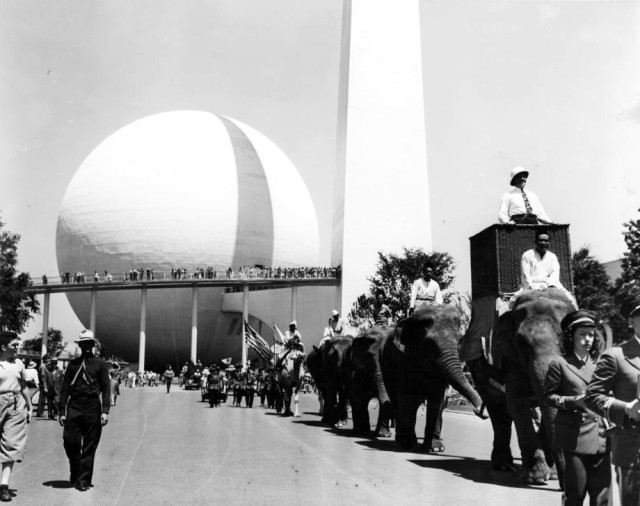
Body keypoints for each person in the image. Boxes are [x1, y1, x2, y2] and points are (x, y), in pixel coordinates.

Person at [544, 310, 609, 506]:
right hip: (574, 440)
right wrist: (573, 401)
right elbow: (549, 397)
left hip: (602, 438)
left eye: (591, 335)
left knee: (601, 499)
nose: (587, 339)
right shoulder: (560, 363)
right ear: (571, 336)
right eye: (582, 334)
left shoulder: (602, 364)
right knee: (575, 496)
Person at [585, 299, 640, 505]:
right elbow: (592, 396)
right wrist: (626, 408)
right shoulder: (616, 356)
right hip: (633, 451)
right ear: (631, 321)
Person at [58, 329, 110, 492]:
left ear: (93, 344)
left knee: (89, 445)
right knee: (70, 441)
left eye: (89, 343)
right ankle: (76, 469)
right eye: (83, 343)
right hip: (75, 405)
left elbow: (106, 388)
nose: (86, 346)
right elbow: (65, 388)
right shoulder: (73, 364)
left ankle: (83, 479)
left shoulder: (100, 364)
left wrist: (105, 410)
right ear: (80, 345)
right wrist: (62, 411)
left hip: (92, 406)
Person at [0, 331, 32, 502]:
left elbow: (24, 385)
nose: (17, 348)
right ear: (3, 347)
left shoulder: (19, 362)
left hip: (15, 403)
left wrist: (29, 405)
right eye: (14, 345)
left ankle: (3, 486)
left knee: (12, 443)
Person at [517, 230, 576, 307]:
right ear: (536, 242)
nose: (543, 243)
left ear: (549, 242)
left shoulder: (552, 256)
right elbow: (525, 274)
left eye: (546, 241)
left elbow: (555, 273)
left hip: (549, 284)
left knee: (570, 299)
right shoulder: (527, 255)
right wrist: (530, 286)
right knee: (513, 302)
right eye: (541, 240)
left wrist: (548, 285)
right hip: (531, 285)